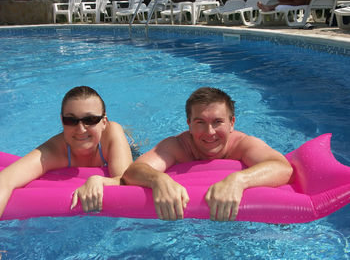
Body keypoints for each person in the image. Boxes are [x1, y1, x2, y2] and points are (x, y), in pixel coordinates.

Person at [123, 87, 293, 221]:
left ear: (231, 123)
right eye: (200, 122)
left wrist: (239, 180)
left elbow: (282, 167)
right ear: (189, 123)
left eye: (218, 122)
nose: (209, 132)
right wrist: (158, 180)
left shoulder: (242, 145)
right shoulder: (178, 146)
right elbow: (133, 171)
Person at [0, 86, 133, 217]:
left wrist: (99, 180)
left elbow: (127, 180)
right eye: (71, 120)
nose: (81, 129)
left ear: (104, 122)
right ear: (62, 121)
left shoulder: (111, 134)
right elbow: (5, 180)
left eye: (90, 120)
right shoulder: (54, 151)